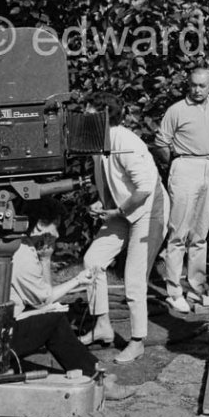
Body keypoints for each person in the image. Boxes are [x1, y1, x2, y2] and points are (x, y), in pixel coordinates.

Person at [81, 93, 169, 364]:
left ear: (105, 115)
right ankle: (103, 325)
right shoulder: (100, 142)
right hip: (124, 209)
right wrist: (101, 202)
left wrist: (117, 210)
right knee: (92, 261)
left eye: (89, 112)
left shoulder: (126, 142)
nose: (84, 116)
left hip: (149, 210)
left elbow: (143, 189)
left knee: (133, 279)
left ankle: (137, 341)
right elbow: (114, 183)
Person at [10, 197, 127, 400]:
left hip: (8, 322)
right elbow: (45, 298)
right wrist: (77, 280)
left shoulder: (24, 246)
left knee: (55, 313)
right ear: (40, 225)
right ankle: (95, 378)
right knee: (54, 321)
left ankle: (93, 370)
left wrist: (46, 259)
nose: (57, 233)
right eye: (55, 225)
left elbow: (43, 294)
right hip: (7, 335)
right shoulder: (23, 254)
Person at [153, 67, 209, 314]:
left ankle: (197, 286)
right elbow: (161, 143)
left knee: (200, 233)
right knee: (178, 232)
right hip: (184, 165)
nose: (197, 90)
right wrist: (174, 163)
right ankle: (173, 291)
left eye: (202, 85)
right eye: (193, 85)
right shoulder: (177, 110)